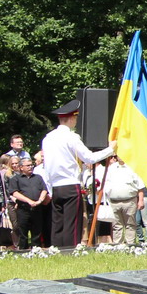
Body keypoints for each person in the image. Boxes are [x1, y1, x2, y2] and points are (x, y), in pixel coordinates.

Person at [41, 99, 113, 247]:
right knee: (72, 223)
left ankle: (56, 249)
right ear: (71, 118)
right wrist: (111, 149)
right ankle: (70, 249)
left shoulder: (48, 138)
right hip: (70, 183)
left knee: (58, 222)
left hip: (55, 185)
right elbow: (89, 158)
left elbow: (47, 165)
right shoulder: (71, 137)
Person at [97, 154, 145, 245]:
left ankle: (130, 245)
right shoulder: (111, 168)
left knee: (130, 224)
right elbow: (106, 183)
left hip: (129, 201)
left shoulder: (133, 167)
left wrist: (141, 200)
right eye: (118, 155)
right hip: (114, 202)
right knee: (116, 226)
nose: (120, 156)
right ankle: (117, 245)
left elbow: (140, 185)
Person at [7, 154, 49, 248]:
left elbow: (44, 190)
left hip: (37, 208)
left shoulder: (38, 177)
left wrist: (40, 200)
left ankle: (36, 249)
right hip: (23, 208)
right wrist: (29, 201)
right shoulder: (16, 179)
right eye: (28, 165)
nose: (31, 167)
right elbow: (14, 193)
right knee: (23, 232)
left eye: (31, 165)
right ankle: (23, 250)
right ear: (21, 167)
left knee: (37, 232)